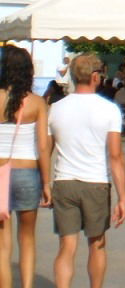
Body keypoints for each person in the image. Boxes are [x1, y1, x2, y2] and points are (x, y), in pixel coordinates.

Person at [48, 53, 125, 288]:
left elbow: (46, 149)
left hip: (64, 181)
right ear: (95, 77)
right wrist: (123, 197)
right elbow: (115, 156)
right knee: (97, 243)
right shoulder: (109, 109)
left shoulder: (56, 108)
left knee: (66, 247)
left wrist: (45, 182)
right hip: (96, 182)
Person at [0, 46, 51, 288]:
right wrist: (46, 182)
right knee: (27, 238)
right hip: (28, 173)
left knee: (2, 243)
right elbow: (43, 147)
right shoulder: (37, 103)